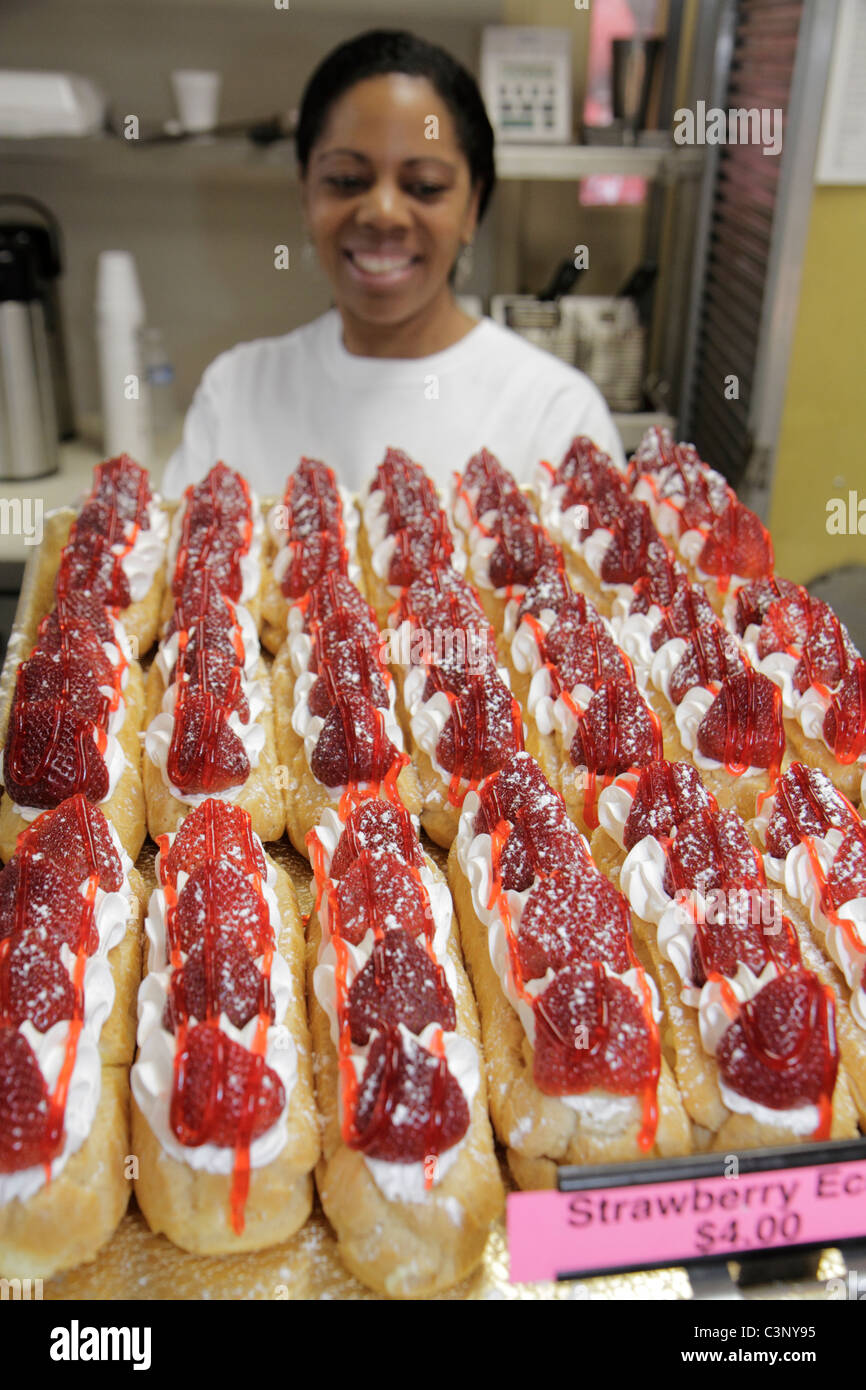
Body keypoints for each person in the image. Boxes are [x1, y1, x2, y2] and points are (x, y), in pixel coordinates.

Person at [162, 29, 624, 498]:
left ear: (471, 207)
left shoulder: (556, 415)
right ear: (306, 194)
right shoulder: (236, 393)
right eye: (346, 179)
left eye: (424, 186)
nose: (382, 213)